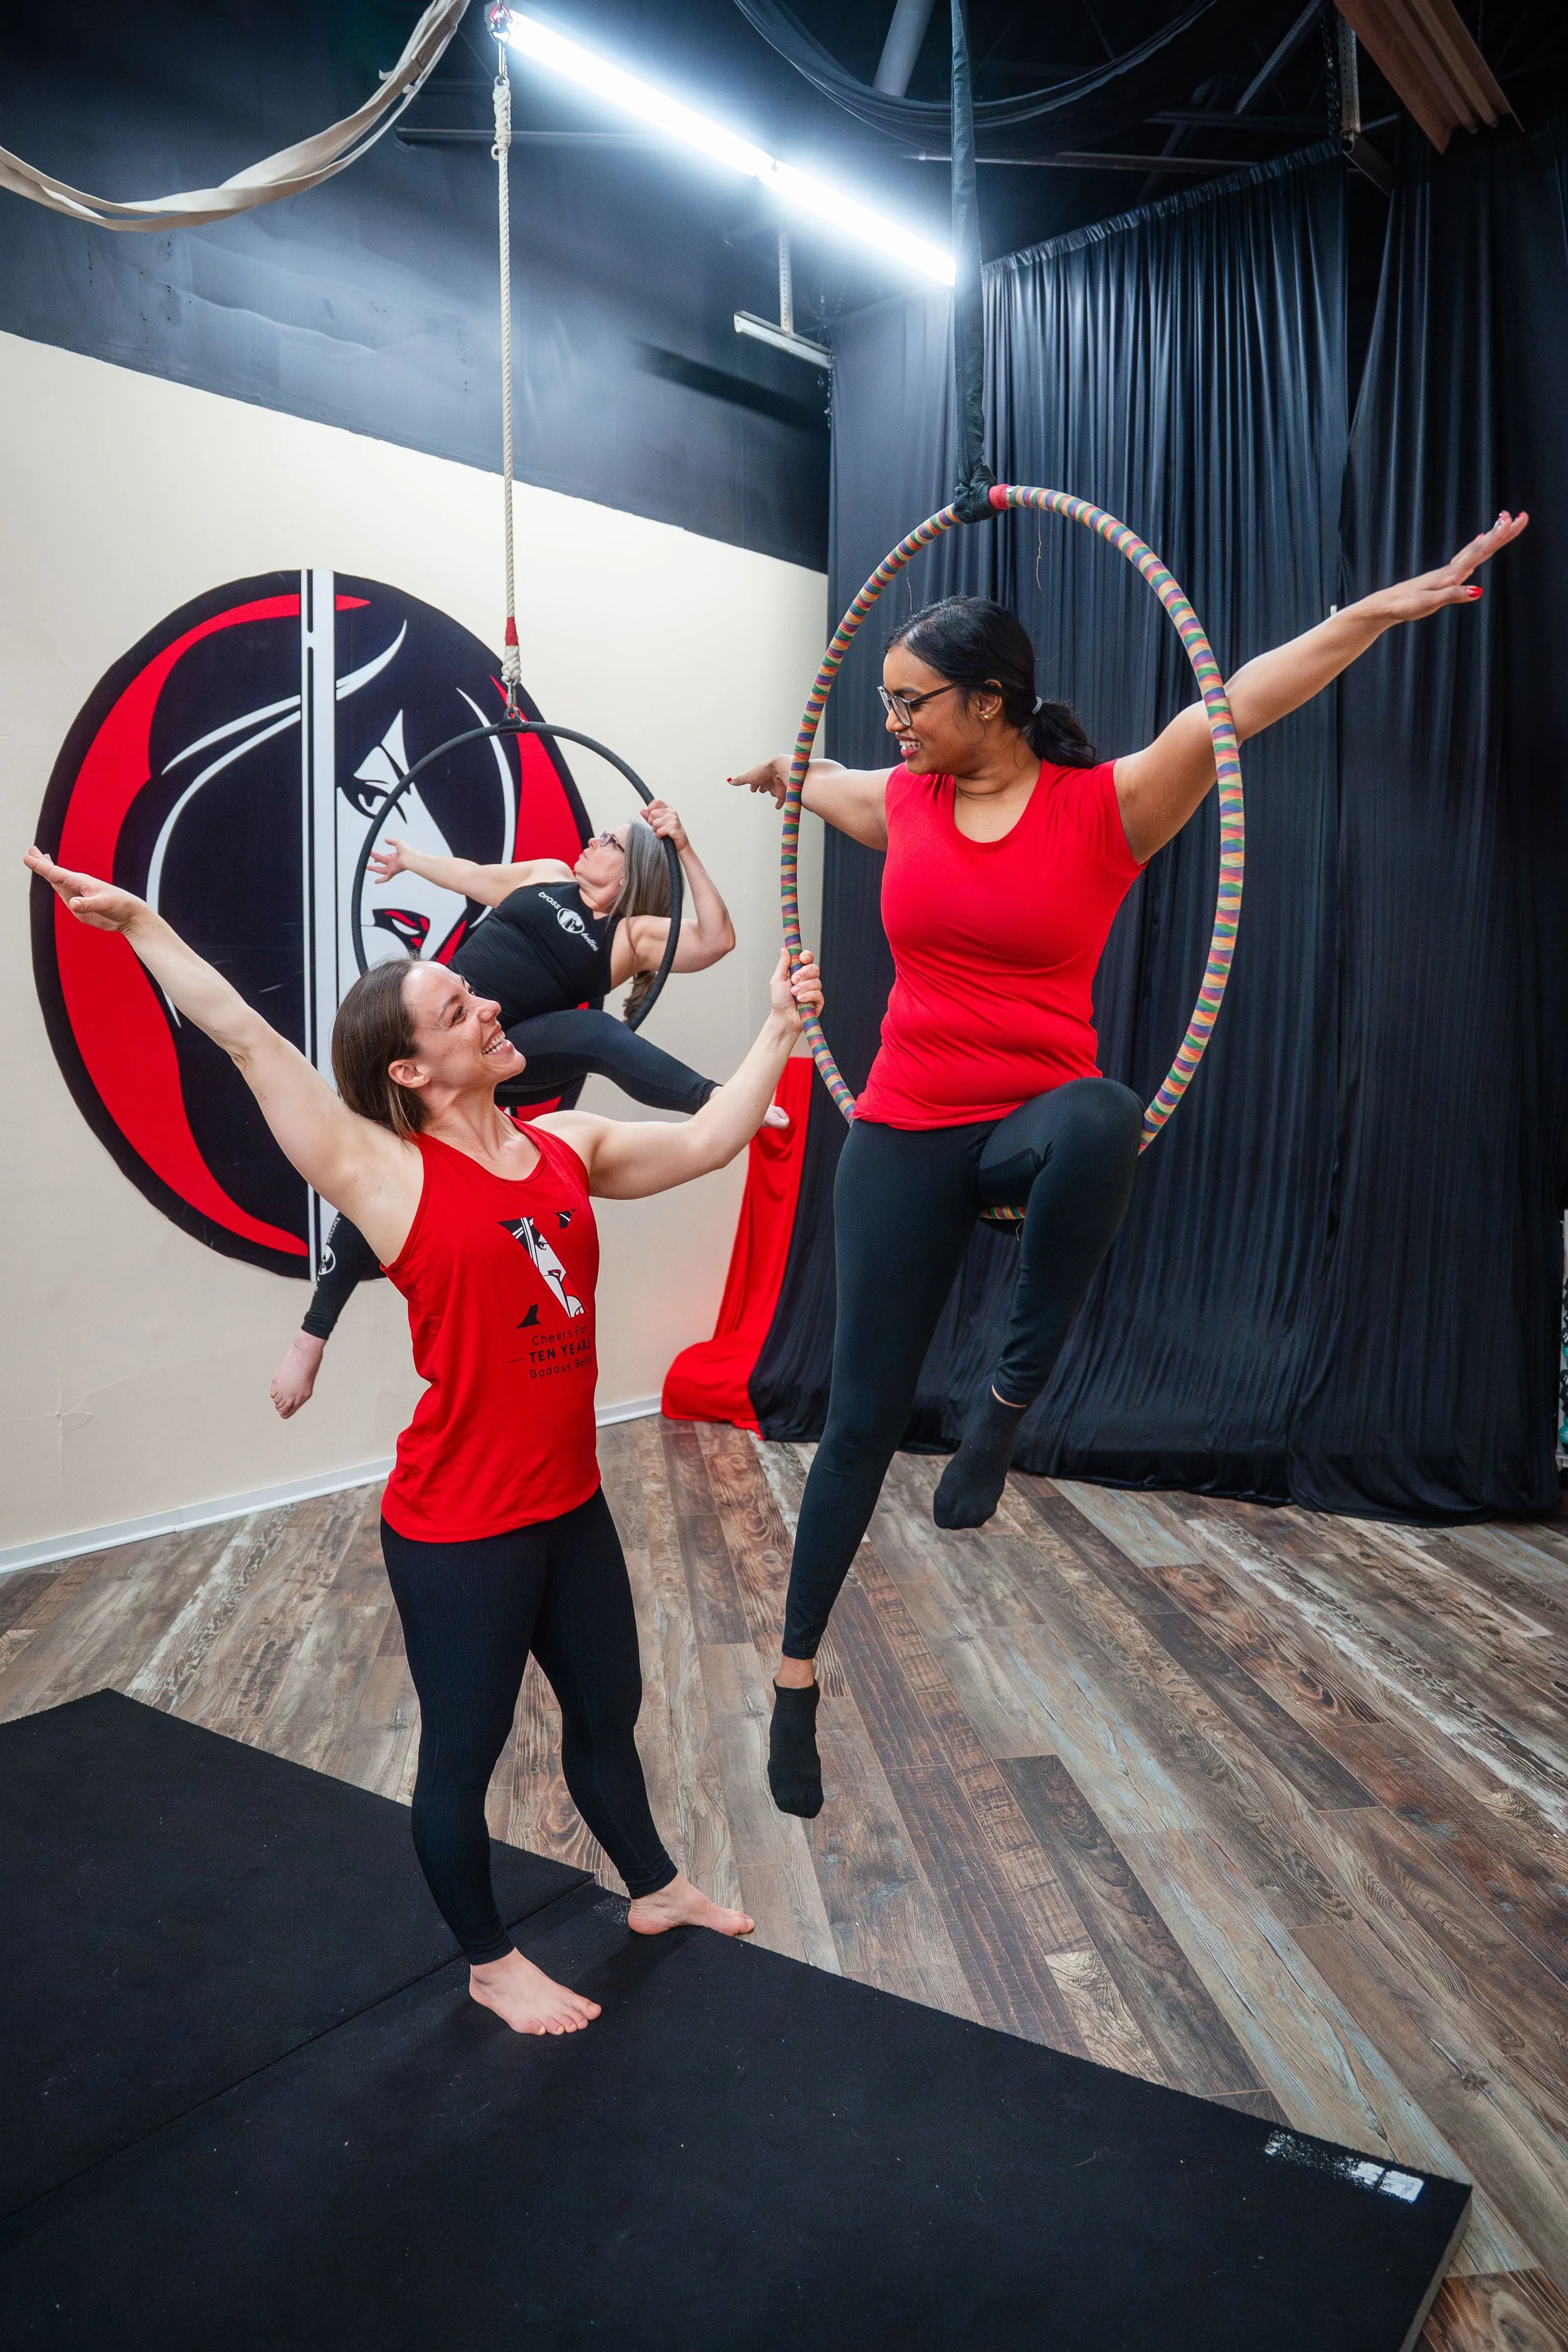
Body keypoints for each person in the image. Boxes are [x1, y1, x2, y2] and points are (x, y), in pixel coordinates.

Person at [731, 510, 1528, 1818]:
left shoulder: (1107, 808)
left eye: (911, 703)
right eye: (880, 705)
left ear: (990, 702)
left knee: (1100, 1112)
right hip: (900, 1128)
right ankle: (795, 1680)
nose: (893, 726)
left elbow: (1246, 699)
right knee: (858, 1425)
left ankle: (1004, 1402)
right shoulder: (902, 800)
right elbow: (818, 781)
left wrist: (1376, 612)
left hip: (1030, 1129)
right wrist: (780, 773)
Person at [28, 840, 823, 2035]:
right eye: (461, 1007)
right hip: (460, 1529)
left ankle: (656, 1891)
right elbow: (248, 1035)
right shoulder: (382, 1175)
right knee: (464, 1757)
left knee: (611, 1715)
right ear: (414, 1066)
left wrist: (773, 1026)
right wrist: (144, 925)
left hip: (568, 1502)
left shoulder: (571, 1147)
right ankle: (490, 1962)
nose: (493, 1001)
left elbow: (713, 1138)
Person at [270, 797, 788, 1418]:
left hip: (511, 1050)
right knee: (384, 1165)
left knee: (595, 1033)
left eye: (611, 842)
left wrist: (682, 845)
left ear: (629, 874)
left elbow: (717, 938)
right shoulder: (545, 875)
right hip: (449, 1047)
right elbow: (471, 875)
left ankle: (716, 1100)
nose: (593, 841)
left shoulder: (629, 937)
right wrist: (410, 860)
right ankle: (313, 1333)